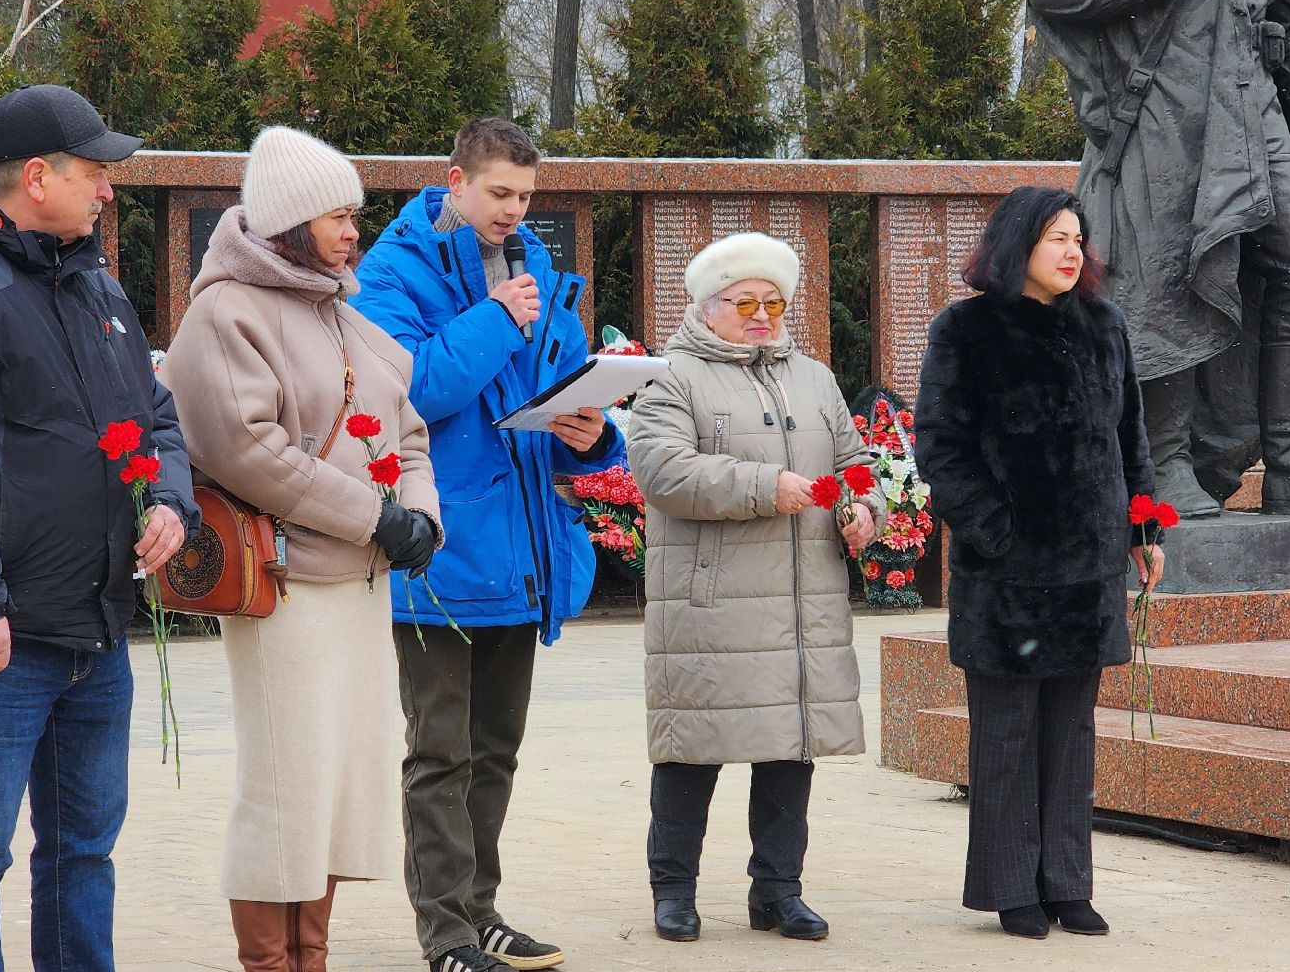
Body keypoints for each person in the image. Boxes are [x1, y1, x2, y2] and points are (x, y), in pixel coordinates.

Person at [0, 83, 199, 971]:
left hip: (98, 632)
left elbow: (159, 420)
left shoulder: (95, 286)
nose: (107, 192)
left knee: (83, 856)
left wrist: (171, 502)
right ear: (34, 177)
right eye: (95, 173)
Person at [159, 127, 443, 972]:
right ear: (288, 220)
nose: (353, 229)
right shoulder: (225, 311)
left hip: (356, 584)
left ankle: (308, 958)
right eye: (334, 214)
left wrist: (421, 517)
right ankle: (270, 965)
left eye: (354, 212)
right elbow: (245, 450)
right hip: (282, 584)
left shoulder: (341, 310)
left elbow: (412, 431)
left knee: (335, 786)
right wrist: (374, 518)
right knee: (286, 787)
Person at [351, 117, 626, 972]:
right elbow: (415, 390)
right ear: (456, 181)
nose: (515, 212)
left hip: (522, 552)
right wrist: (496, 319)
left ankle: (481, 910)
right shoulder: (390, 269)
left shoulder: (537, 266)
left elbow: (556, 389)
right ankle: (445, 934)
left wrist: (591, 434)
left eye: (527, 198)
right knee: (441, 752)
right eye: (500, 194)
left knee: (496, 750)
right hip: (439, 552)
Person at [1027, 0, 1290, 518]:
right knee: (1172, 279)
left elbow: (1289, 32)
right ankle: (1166, 464)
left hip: (1255, 115)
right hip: (1172, 119)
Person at [912, 187, 1166, 941]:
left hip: (1089, 573)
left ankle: (1067, 882)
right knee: (1007, 735)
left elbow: (1132, 438)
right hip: (1008, 578)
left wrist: (1143, 531)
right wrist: (995, 532)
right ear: (1017, 242)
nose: (1070, 252)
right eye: (1056, 236)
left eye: (1078, 240)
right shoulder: (966, 330)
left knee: (1071, 732)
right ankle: (1009, 887)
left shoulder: (1104, 326)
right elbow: (941, 448)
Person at [627, 233, 884, 945]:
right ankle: (673, 891)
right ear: (710, 308)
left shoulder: (813, 378)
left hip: (802, 600)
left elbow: (855, 462)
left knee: (788, 748)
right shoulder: (672, 375)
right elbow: (662, 472)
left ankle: (778, 891)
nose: (763, 315)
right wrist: (763, 487)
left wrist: (864, 509)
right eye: (747, 303)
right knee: (692, 749)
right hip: (711, 602)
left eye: (774, 302)